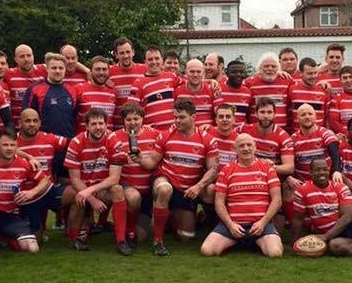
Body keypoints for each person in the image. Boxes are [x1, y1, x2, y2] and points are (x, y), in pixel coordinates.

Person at [134, 99, 218, 255]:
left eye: (182, 117)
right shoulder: (166, 135)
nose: (177, 121)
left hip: (187, 189)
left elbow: (213, 169)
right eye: (175, 117)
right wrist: (140, 159)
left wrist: (199, 186)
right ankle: (158, 241)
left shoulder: (207, 139)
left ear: (193, 117)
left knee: (186, 237)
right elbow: (152, 162)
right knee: (164, 189)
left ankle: (172, 218)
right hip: (166, 179)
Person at [199, 134, 283, 258]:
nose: (246, 148)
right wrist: (230, 224)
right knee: (207, 250)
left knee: (275, 253)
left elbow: (277, 200)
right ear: (235, 149)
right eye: (241, 146)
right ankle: (240, 241)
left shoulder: (267, 168)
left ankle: (253, 241)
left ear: (255, 147)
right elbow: (219, 202)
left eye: (249, 145)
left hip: (260, 225)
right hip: (233, 225)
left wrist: (262, 223)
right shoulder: (227, 170)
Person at [62, 109, 129, 254]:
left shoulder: (114, 140)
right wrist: (91, 198)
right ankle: (73, 237)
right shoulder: (76, 142)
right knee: (76, 193)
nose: (98, 127)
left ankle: (121, 240)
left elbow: (114, 178)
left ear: (106, 125)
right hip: (83, 187)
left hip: (102, 188)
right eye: (93, 124)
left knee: (117, 189)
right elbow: (75, 179)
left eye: (101, 123)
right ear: (86, 126)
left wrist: (90, 191)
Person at [0, 128, 50, 253]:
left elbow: (45, 180)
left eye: (12, 145)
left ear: (17, 146)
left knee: (33, 248)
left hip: (11, 215)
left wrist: (31, 192)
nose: (9, 148)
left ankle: (1, 235)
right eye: (5, 145)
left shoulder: (23, 164)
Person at [240, 99, 295, 227]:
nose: (266, 115)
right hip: (248, 174)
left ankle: (291, 224)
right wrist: (209, 128)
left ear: (275, 114)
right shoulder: (245, 129)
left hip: (271, 178)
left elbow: (289, 167)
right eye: (262, 112)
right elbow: (226, 131)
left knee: (278, 231)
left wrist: (271, 167)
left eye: (269, 112)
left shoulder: (283, 136)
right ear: (256, 113)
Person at [15, 109, 69, 239]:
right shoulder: (11, 142)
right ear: (19, 123)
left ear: (40, 123)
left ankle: (74, 233)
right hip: (25, 196)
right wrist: (28, 157)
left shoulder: (49, 138)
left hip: (48, 190)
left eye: (35, 121)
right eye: (27, 121)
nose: (32, 124)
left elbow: (73, 143)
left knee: (77, 193)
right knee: (35, 241)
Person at [114, 104, 161, 242]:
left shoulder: (155, 135)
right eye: (128, 119)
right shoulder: (114, 137)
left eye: (136, 119)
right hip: (127, 187)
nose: (133, 123)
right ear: (123, 120)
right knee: (134, 198)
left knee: (141, 238)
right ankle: (128, 228)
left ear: (142, 119)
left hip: (147, 192)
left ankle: (134, 225)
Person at [23, 53, 79, 138]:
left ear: (65, 70)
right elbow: (26, 117)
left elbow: (75, 117)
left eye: (61, 68)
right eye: (54, 68)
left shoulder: (72, 91)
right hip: (44, 143)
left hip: (67, 142)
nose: (57, 71)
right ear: (47, 69)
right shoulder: (34, 89)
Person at [132, 46, 182, 130]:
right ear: (145, 62)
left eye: (157, 58)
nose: (154, 62)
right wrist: (140, 126)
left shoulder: (171, 77)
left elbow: (190, 83)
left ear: (162, 60)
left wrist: (210, 81)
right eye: (150, 59)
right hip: (151, 133)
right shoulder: (138, 83)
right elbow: (131, 109)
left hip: (173, 131)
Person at [244, 53, 292, 129]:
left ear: (278, 68)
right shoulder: (248, 83)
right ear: (260, 68)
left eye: (273, 66)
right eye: (266, 66)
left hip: (281, 133)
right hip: (257, 133)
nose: (270, 68)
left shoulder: (287, 81)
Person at [108, 37, 148, 129]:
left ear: (133, 52)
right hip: (118, 127)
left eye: (128, 52)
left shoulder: (144, 70)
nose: (126, 55)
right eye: (122, 53)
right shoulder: (108, 72)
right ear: (116, 55)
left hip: (140, 127)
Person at [3, 44, 47, 122]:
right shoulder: (9, 74)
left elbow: (66, 66)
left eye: (29, 55)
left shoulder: (44, 70)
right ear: (16, 59)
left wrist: (77, 65)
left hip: (41, 125)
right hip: (18, 125)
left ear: (33, 56)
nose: (26, 59)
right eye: (22, 56)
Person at [74, 56, 117, 132]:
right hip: (85, 141)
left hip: (107, 141)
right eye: (97, 69)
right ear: (90, 72)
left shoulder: (113, 91)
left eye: (104, 69)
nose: (101, 72)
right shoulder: (78, 89)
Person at [287, 58, 328, 131]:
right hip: (297, 138)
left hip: (318, 138)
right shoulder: (292, 90)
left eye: (315, 73)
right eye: (309, 73)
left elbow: (327, 117)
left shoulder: (323, 90)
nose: (313, 76)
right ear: (301, 73)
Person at [174, 59, 216, 128]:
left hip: (208, 134)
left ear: (203, 73)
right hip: (185, 135)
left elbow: (219, 114)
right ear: (186, 72)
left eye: (199, 72)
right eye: (192, 72)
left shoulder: (212, 89)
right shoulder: (177, 91)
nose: (195, 75)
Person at [214, 60, 253, 127]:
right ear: (227, 73)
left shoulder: (248, 93)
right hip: (222, 133)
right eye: (234, 72)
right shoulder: (217, 90)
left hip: (241, 134)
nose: (238, 75)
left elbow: (248, 117)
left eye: (241, 72)